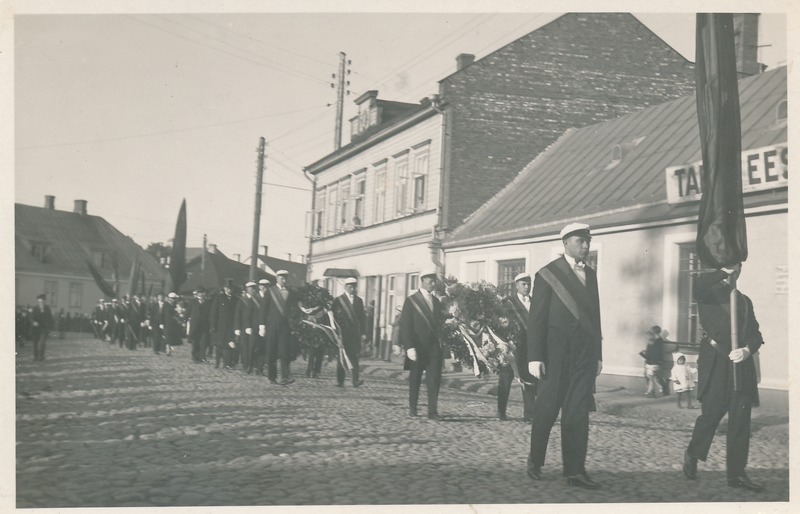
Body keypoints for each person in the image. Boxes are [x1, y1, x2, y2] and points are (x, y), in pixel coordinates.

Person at [526, 223, 603, 489]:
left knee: (578, 412)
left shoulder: (590, 275)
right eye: (580, 241)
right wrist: (534, 356)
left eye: (588, 242)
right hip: (554, 356)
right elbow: (536, 320)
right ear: (566, 243)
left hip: (583, 356)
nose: (585, 246)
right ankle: (535, 460)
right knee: (546, 410)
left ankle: (575, 471)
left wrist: (598, 355)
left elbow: (595, 317)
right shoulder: (547, 274)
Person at [683, 263, 764, 492]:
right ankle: (693, 452)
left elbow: (756, 333)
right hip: (716, 362)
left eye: (736, 270)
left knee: (740, 422)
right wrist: (722, 271)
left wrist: (748, 350)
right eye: (729, 270)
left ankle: (736, 474)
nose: (733, 274)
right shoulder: (707, 295)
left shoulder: (745, 301)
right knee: (711, 416)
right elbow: (698, 286)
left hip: (740, 366)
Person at [400, 270, 443, 420]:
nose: (433, 284)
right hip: (417, 345)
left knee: (434, 378)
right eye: (430, 281)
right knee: (415, 377)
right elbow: (405, 325)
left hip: (433, 346)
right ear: (423, 281)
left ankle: (432, 411)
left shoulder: (437, 302)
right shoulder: (411, 300)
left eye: (434, 281)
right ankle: (413, 406)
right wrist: (409, 347)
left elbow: (439, 324)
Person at [500, 272, 537, 422]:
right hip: (512, 348)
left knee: (528, 381)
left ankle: (529, 414)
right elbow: (501, 324)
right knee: (505, 379)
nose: (527, 287)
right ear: (516, 286)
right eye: (523, 284)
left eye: (528, 284)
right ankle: (501, 412)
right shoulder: (508, 303)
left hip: (529, 348)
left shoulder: (536, 302)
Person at [332, 277, 366, 388]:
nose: (352, 289)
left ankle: (355, 380)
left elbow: (362, 318)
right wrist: (336, 332)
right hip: (343, 333)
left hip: (354, 333)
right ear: (345, 287)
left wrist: (364, 333)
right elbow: (335, 317)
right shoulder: (338, 300)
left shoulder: (359, 301)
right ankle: (340, 380)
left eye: (354, 287)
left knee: (354, 357)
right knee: (342, 357)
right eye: (350, 286)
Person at [265, 270, 296, 385]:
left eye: (285, 278)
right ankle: (271, 376)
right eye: (281, 278)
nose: (284, 280)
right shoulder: (270, 291)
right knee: (271, 351)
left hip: (285, 326)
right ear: (277, 278)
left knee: (284, 351)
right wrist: (262, 326)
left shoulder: (290, 292)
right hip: (272, 325)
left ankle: (284, 376)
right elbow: (264, 308)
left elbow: (293, 307)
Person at [210, 279, 238, 369]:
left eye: (230, 288)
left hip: (231, 325)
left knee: (229, 344)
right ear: (224, 288)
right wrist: (213, 325)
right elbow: (214, 312)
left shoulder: (235, 299)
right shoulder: (219, 298)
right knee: (219, 344)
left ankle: (227, 363)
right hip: (220, 325)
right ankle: (217, 363)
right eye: (227, 288)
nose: (228, 290)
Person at [235, 281, 261, 374]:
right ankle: (246, 365)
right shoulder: (242, 300)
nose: (253, 290)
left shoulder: (257, 300)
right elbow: (238, 315)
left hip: (254, 328)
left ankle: (250, 365)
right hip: (243, 328)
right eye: (251, 288)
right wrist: (237, 328)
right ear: (247, 289)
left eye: (254, 288)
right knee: (245, 348)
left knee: (252, 347)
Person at [639, 327, 664, 398]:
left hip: (652, 363)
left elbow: (649, 356)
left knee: (651, 378)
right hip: (656, 363)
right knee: (653, 377)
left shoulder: (652, 344)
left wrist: (641, 353)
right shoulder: (659, 341)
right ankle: (660, 390)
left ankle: (652, 392)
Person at [31, 294, 53, 361]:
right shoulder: (35, 308)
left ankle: (41, 356)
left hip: (44, 329)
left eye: (42, 301)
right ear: (38, 302)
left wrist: (50, 328)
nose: (41, 303)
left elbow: (50, 318)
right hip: (36, 329)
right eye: (40, 302)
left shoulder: (47, 308)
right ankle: (35, 356)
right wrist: (34, 322)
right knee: (35, 343)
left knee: (42, 343)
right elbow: (32, 318)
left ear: (44, 301)